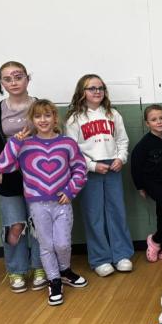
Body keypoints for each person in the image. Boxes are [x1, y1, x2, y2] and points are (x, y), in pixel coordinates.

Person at [0, 99, 89, 305]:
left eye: (47, 115)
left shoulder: (67, 143)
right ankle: (54, 279)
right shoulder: (24, 145)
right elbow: (3, 165)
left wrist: (70, 190)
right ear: (32, 120)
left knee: (63, 243)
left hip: (62, 202)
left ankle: (65, 270)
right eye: (38, 116)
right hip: (37, 205)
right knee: (46, 244)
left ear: (55, 118)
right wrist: (15, 142)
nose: (43, 120)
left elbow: (80, 169)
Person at [0, 61, 44, 292]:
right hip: (9, 178)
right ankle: (16, 270)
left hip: (40, 177)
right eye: (8, 78)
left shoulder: (41, 107)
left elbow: (56, 137)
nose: (14, 82)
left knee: (38, 224)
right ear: (1, 82)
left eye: (18, 76)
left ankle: (40, 266)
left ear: (28, 78)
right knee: (14, 226)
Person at [65, 74, 133, 277]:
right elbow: (72, 150)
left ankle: (121, 254)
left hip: (113, 166)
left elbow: (122, 140)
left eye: (100, 88)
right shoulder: (74, 119)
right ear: (82, 92)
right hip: (88, 171)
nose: (97, 91)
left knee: (117, 212)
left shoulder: (113, 114)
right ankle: (100, 259)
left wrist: (121, 158)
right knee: (94, 215)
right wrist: (92, 166)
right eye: (91, 88)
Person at [131, 104, 162, 263]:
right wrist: (140, 186)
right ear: (147, 123)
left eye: (161, 118)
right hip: (151, 182)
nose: (158, 122)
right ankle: (155, 240)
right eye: (154, 119)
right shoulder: (144, 144)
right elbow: (135, 166)